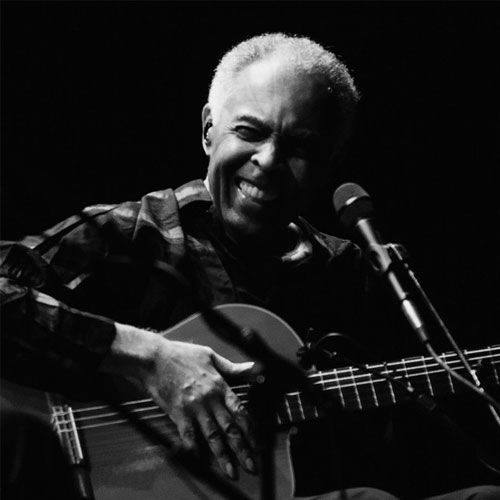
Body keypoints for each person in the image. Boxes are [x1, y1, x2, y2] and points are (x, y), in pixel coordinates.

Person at [1, 33, 499, 500]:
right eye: (249, 131)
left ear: (330, 161)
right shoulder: (136, 233)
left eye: (300, 147)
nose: (269, 160)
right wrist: (150, 357)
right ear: (207, 130)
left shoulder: (348, 274)